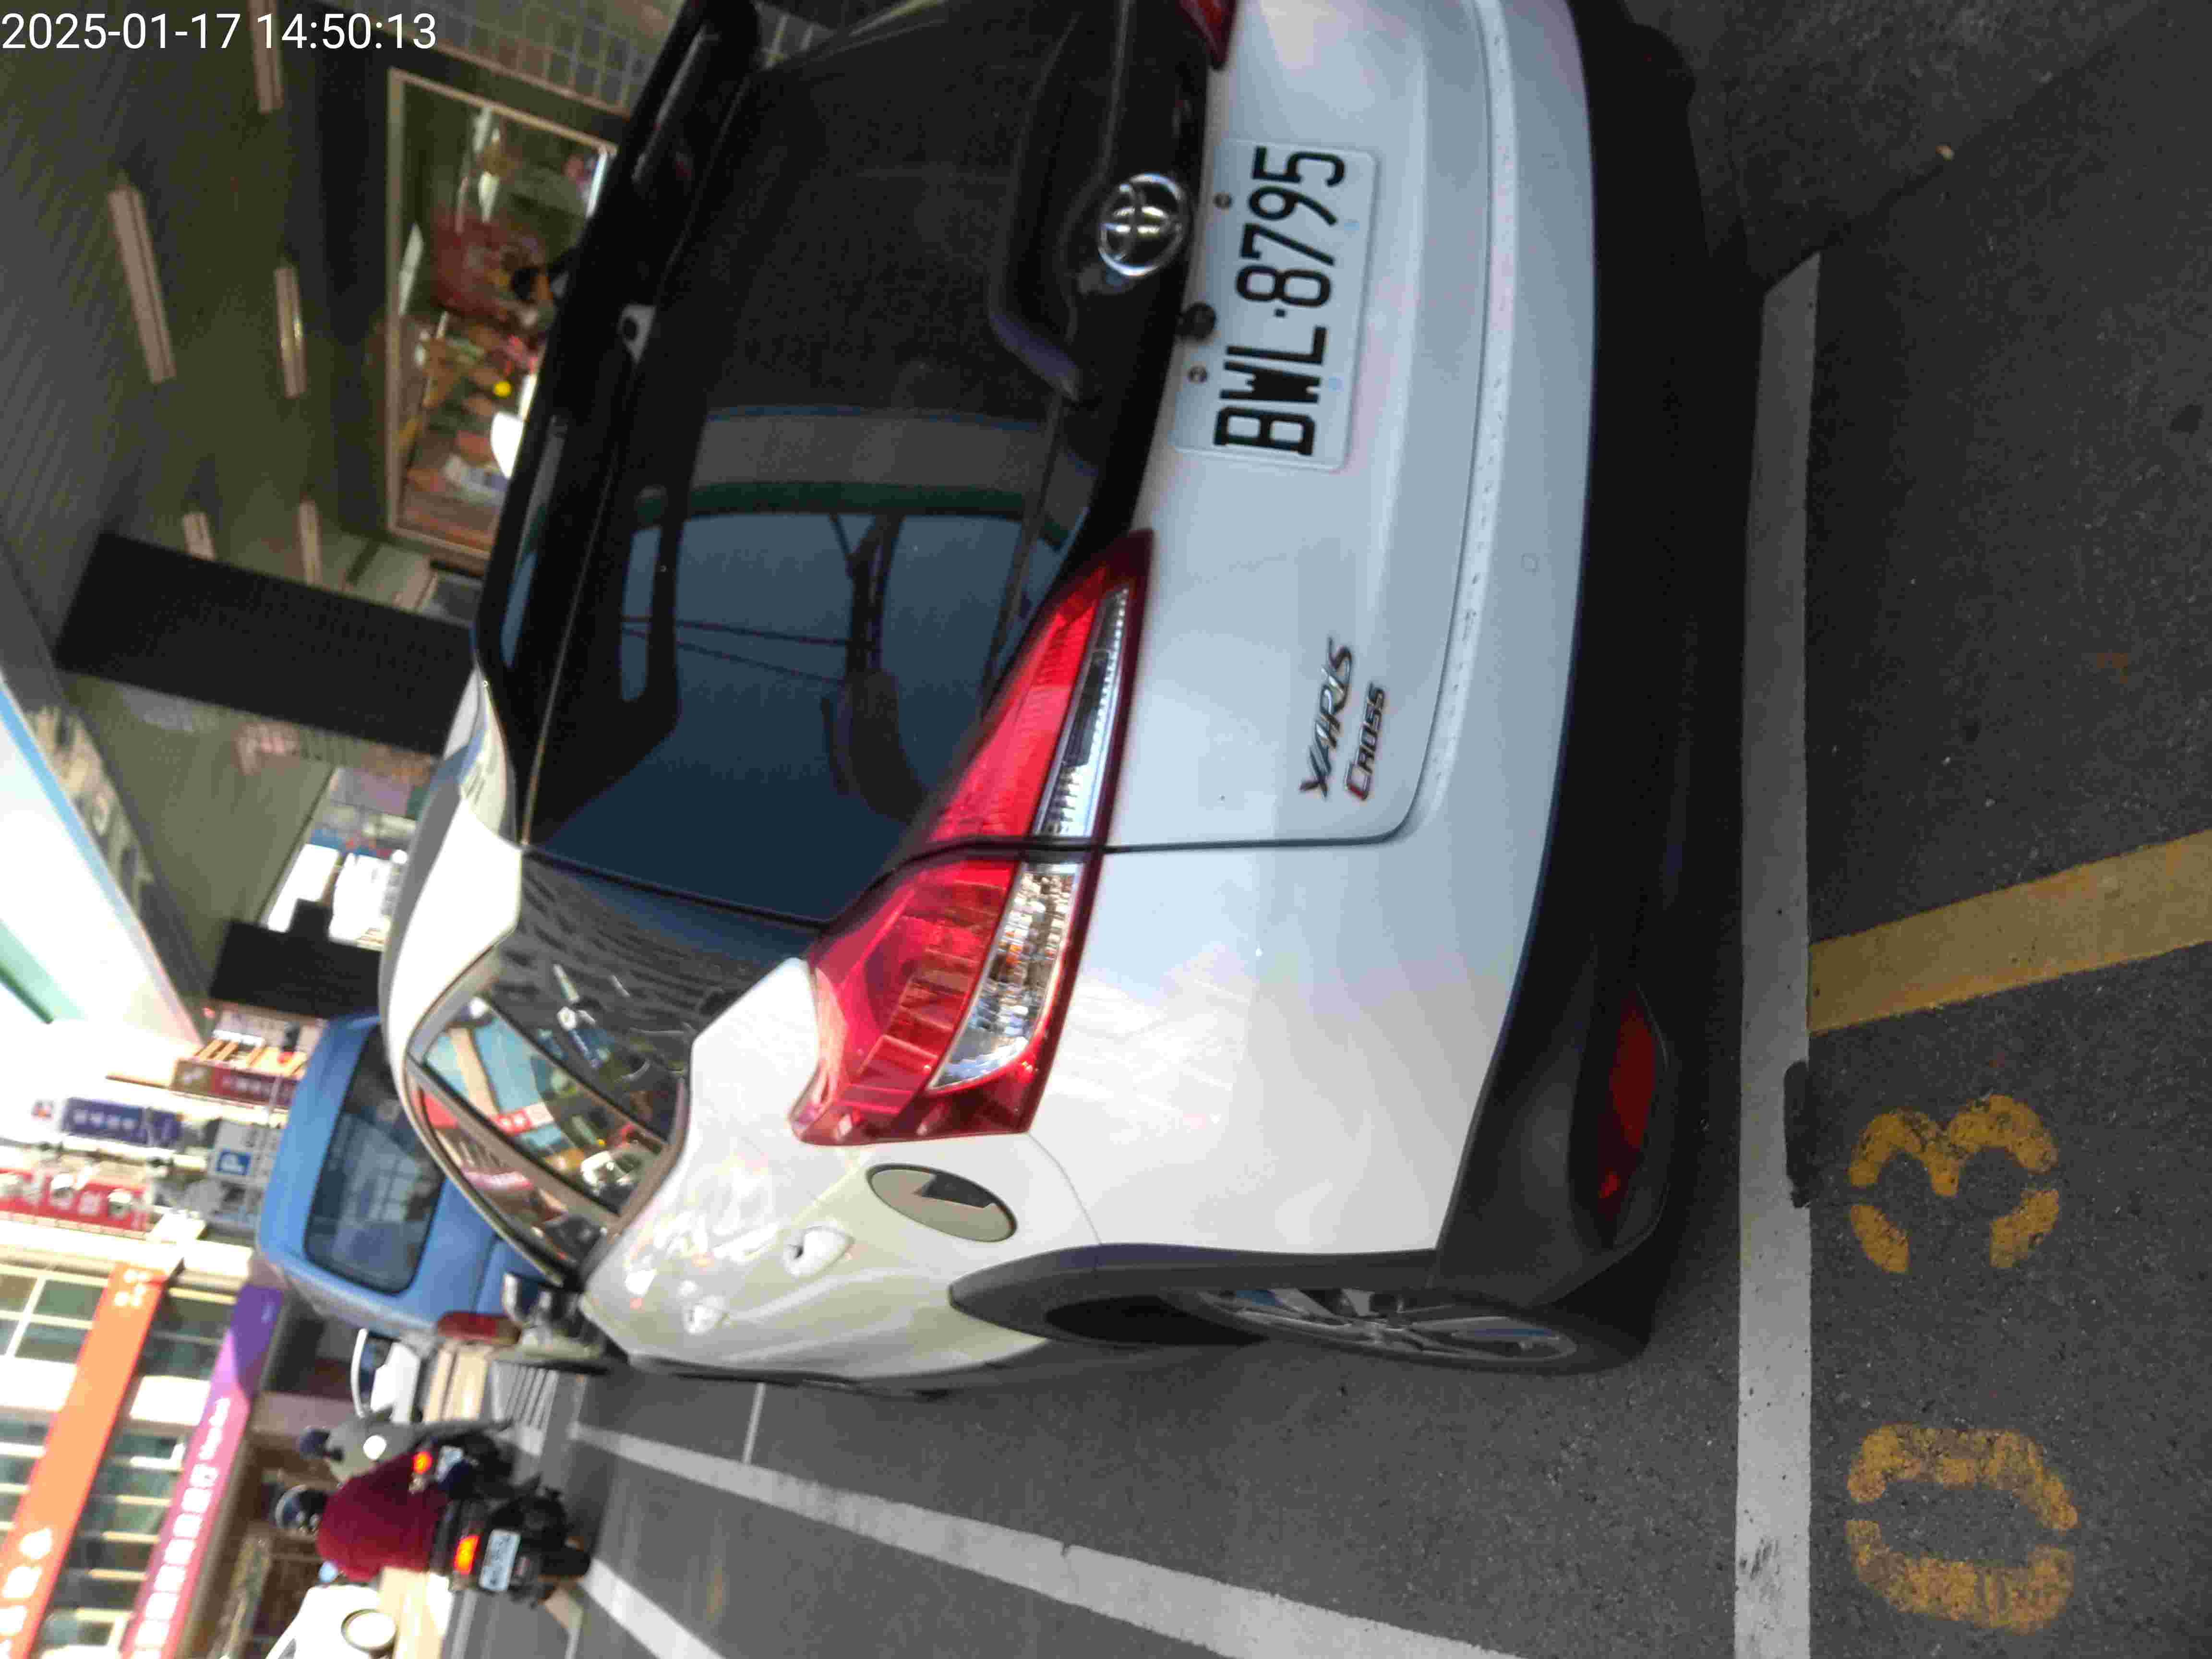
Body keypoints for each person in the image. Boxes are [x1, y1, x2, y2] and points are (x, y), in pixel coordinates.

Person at [275, 1461, 448, 1582]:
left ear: (304, 1529)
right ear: (315, 1495)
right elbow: (399, 1469)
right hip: (439, 1513)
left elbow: (367, 1574)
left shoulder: (328, 1549)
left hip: (430, 1559)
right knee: (460, 1470)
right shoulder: (351, 1490)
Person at [297, 1409, 511, 1483]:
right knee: (449, 1426)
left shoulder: (339, 1474)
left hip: (406, 1468)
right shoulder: (343, 1430)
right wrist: (389, 1409)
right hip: (410, 1438)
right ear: (321, 1434)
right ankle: (495, 1425)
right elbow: (382, 1414)